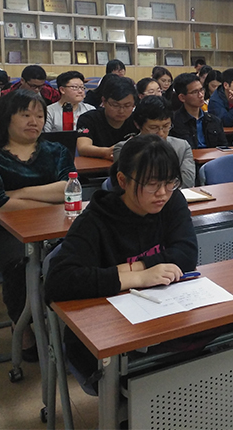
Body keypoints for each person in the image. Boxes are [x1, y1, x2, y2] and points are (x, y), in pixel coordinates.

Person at [45, 134, 197, 384]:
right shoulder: (96, 220)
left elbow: (187, 254)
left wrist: (130, 269)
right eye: (152, 184)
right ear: (123, 180)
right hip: (106, 334)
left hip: (159, 319)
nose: (162, 193)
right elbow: (58, 281)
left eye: (170, 182)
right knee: (157, 382)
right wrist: (139, 277)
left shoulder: (172, 201)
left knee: (212, 353)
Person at [0, 90, 75, 361]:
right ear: (7, 118)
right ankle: (22, 323)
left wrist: (17, 193)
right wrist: (47, 198)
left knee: (80, 255)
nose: (34, 121)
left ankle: (74, 323)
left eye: (40, 116)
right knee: (22, 263)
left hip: (56, 224)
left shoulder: (55, 150)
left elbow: (68, 189)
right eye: (26, 115)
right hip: (2, 230)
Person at [114, 96, 196, 188]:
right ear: (137, 125)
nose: (161, 133)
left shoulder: (182, 147)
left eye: (166, 126)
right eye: (153, 128)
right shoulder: (124, 149)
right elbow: (130, 184)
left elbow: (187, 182)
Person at [76, 76, 137, 159]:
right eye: (115, 105)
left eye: (127, 105)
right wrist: (106, 152)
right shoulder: (89, 118)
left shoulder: (137, 119)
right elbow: (83, 148)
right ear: (104, 101)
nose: (121, 111)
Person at [169, 73, 227, 150]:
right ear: (182, 97)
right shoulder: (173, 122)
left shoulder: (214, 121)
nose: (201, 95)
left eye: (201, 90)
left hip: (212, 157)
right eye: (195, 92)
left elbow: (224, 148)